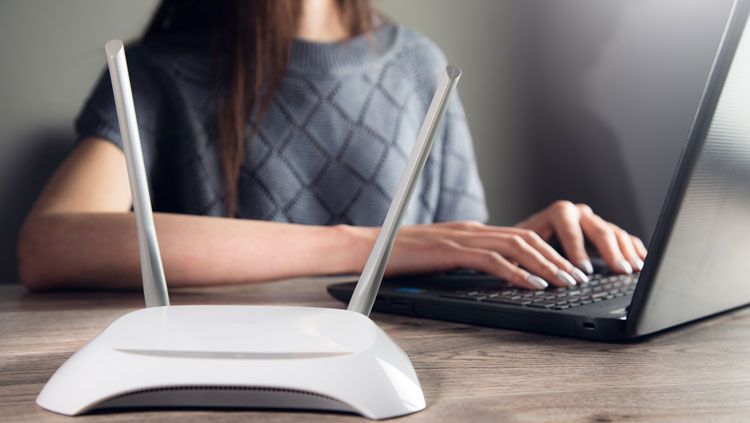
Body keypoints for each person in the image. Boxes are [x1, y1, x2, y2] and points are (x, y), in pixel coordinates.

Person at [17, 0, 646, 293]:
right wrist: (359, 244)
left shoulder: (420, 67)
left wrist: (519, 248)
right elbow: (50, 245)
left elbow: (443, 255)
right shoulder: (158, 74)